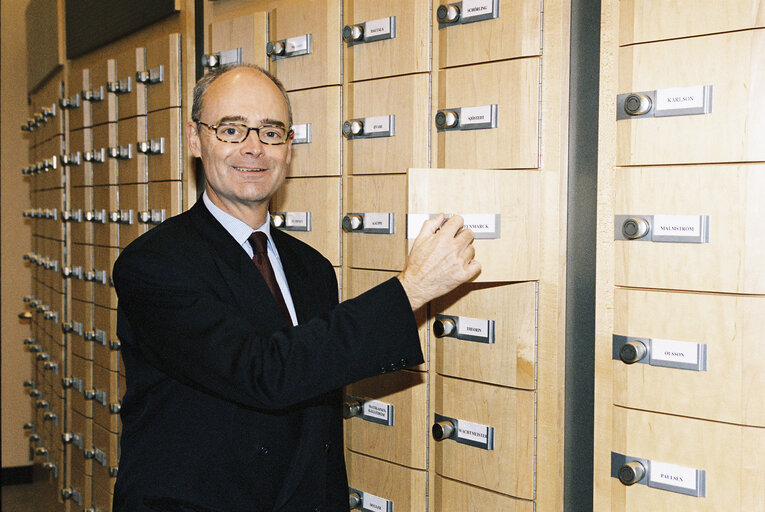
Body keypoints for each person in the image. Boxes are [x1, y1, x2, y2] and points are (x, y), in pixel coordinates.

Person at [112, 64, 480, 512]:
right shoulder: (153, 263)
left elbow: (320, 428)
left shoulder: (313, 269)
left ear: (289, 146)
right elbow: (264, 372)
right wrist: (411, 290)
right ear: (195, 139)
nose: (253, 149)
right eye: (231, 129)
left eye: (271, 132)